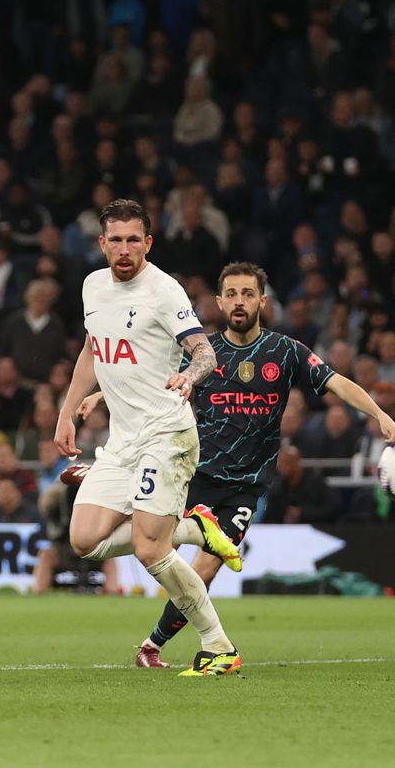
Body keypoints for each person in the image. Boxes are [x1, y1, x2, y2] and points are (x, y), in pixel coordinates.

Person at [80, 261, 395, 667]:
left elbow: (337, 381)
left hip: (246, 486)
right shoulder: (203, 353)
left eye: (247, 294)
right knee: (151, 545)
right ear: (218, 302)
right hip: (194, 475)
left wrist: (380, 415)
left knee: (204, 570)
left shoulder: (283, 352)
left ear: (262, 301)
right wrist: (98, 396)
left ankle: (156, 645)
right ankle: (174, 545)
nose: (239, 301)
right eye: (231, 294)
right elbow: (150, 383)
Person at [53, 199, 243, 677]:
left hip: (167, 433)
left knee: (148, 549)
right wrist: (67, 411)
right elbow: (92, 349)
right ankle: (193, 528)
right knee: (84, 542)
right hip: (122, 442)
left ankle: (218, 644)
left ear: (148, 243)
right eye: (115, 240)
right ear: (102, 243)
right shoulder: (92, 286)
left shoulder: (163, 290)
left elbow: (204, 352)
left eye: (133, 240)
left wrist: (191, 377)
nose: (124, 249)